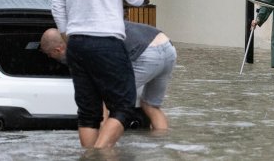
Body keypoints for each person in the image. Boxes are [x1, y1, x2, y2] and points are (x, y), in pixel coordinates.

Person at [51, 0, 146, 149]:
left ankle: (90, 154)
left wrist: (68, 36)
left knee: (88, 112)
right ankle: (96, 155)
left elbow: (57, 7)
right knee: (124, 105)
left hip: (77, 44)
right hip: (107, 43)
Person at [41, 21, 177, 131]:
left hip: (147, 54)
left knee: (108, 96)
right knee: (150, 105)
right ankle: (162, 146)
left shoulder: (83, 45)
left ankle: (102, 147)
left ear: (58, 49)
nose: (50, 58)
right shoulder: (86, 28)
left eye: (50, 55)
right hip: (168, 48)